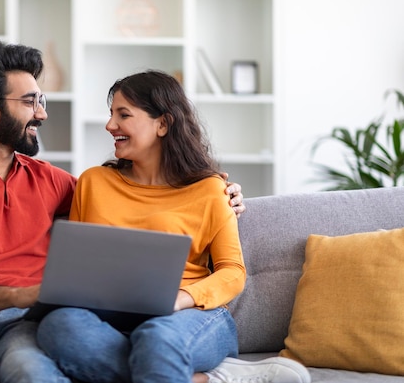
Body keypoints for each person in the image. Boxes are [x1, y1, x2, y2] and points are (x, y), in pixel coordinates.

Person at [0, 42, 245, 383]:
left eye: (41, 100)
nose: (42, 113)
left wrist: (225, 194)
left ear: (163, 124)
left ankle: (177, 371)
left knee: (37, 372)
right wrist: (20, 293)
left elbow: (145, 203)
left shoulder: (53, 181)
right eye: (30, 101)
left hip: (24, 325)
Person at [35, 70, 311, 383]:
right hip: (109, 319)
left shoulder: (210, 190)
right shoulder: (93, 182)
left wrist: (180, 299)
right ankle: (201, 379)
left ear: (163, 124)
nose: (110, 125)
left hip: (189, 316)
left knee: (157, 338)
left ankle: (166, 364)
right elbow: (81, 266)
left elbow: (232, 271)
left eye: (123, 115)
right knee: (59, 327)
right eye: (111, 115)